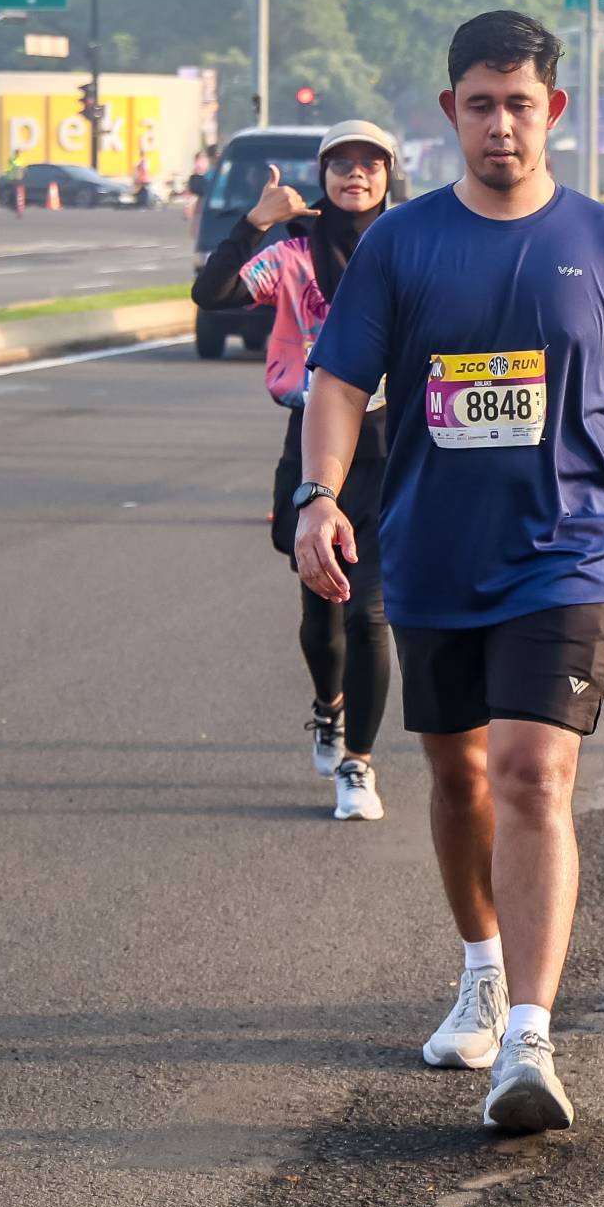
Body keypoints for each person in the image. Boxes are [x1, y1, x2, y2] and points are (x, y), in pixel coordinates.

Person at [297, 10, 604, 1134]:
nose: (501, 125)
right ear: (451, 112)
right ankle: (480, 967)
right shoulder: (402, 242)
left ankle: (529, 1034)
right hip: (432, 550)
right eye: (481, 105)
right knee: (460, 776)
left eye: (520, 104)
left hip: (566, 550)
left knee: (532, 773)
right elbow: (339, 382)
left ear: (553, 109)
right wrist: (320, 495)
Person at [189, 122, 403, 822]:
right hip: (313, 448)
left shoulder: (409, 248)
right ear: (324, 176)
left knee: (370, 612)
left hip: (392, 447)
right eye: (342, 164)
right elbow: (213, 293)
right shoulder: (292, 255)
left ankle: (357, 764)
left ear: (388, 176)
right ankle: (328, 706)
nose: (356, 175)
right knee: (322, 611)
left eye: (370, 164)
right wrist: (254, 222)